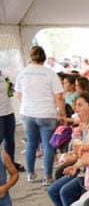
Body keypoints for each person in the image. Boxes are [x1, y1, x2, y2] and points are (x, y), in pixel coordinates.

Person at [16, 45, 67, 184]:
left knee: (31, 144)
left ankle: (30, 174)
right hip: (46, 113)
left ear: (30, 57)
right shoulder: (50, 73)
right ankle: (47, 177)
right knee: (48, 145)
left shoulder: (23, 72)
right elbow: (59, 97)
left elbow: (18, 94)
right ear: (44, 58)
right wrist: (62, 114)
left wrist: (27, 105)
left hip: (28, 113)